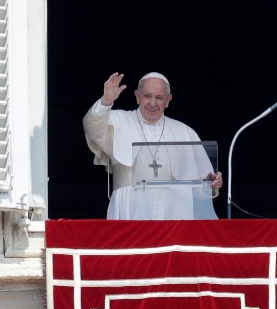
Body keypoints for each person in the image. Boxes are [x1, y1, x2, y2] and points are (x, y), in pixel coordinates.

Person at [83, 72, 223, 220]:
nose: (152, 103)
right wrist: (106, 102)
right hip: (129, 208)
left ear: (168, 100)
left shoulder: (184, 131)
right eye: (147, 96)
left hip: (174, 211)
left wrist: (210, 183)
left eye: (159, 97)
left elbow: (202, 189)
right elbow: (92, 128)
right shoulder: (118, 120)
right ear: (137, 96)